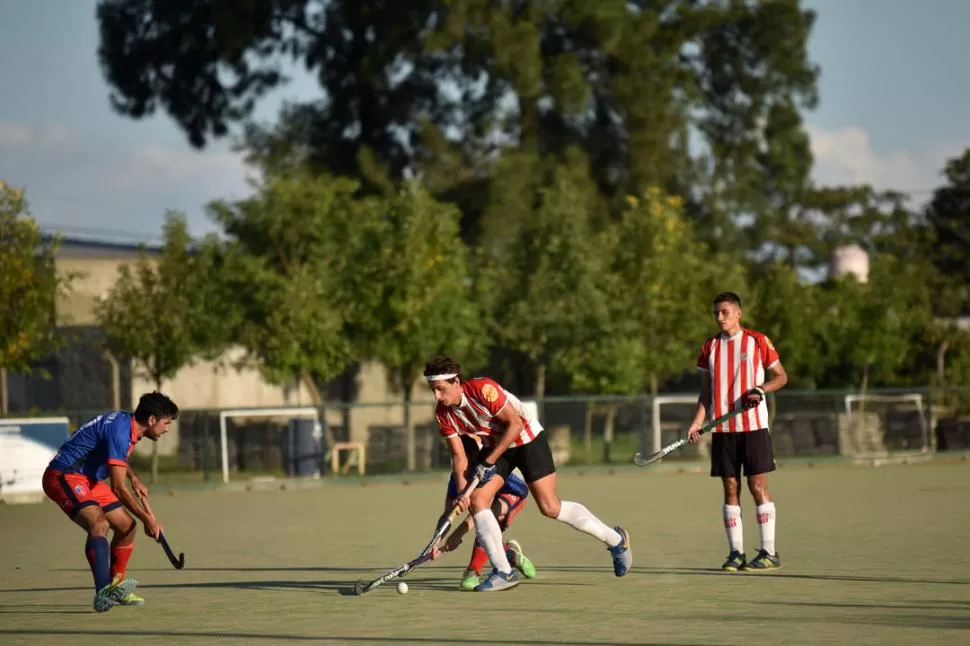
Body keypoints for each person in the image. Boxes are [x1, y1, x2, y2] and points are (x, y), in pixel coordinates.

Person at [424, 355, 632, 592]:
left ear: (456, 382)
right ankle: (504, 571)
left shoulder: (483, 389)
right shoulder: (443, 414)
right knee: (477, 499)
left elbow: (515, 425)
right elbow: (459, 457)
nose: (437, 397)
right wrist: (463, 493)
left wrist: (489, 460)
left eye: (441, 389)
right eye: (433, 391)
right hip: (497, 445)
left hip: (527, 439)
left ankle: (616, 541)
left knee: (550, 507)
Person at [42, 391, 179, 611]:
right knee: (99, 523)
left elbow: (117, 455)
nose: (167, 429)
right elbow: (117, 488)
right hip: (63, 475)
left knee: (127, 527)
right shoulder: (122, 431)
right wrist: (147, 519)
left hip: (89, 479)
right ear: (152, 420)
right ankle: (102, 592)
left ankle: (116, 587)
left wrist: (133, 478)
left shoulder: (127, 424)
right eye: (166, 423)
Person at [687, 292, 788, 572]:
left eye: (725, 312)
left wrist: (760, 389)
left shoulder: (757, 341)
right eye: (716, 313)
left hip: (753, 427)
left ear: (738, 313)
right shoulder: (710, 347)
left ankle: (768, 552)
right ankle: (736, 554)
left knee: (757, 486)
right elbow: (706, 391)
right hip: (722, 429)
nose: (720, 318)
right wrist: (697, 421)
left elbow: (781, 376)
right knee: (730, 488)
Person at [431, 435, 537, 590]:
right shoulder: (457, 477)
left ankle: (473, 572)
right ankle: (509, 555)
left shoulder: (484, 473)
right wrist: (435, 541)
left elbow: (479, 514)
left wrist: (458, 534)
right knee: (488, 531)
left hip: (513, 495)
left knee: (486, 522)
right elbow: (448, 513)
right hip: (487, 504)